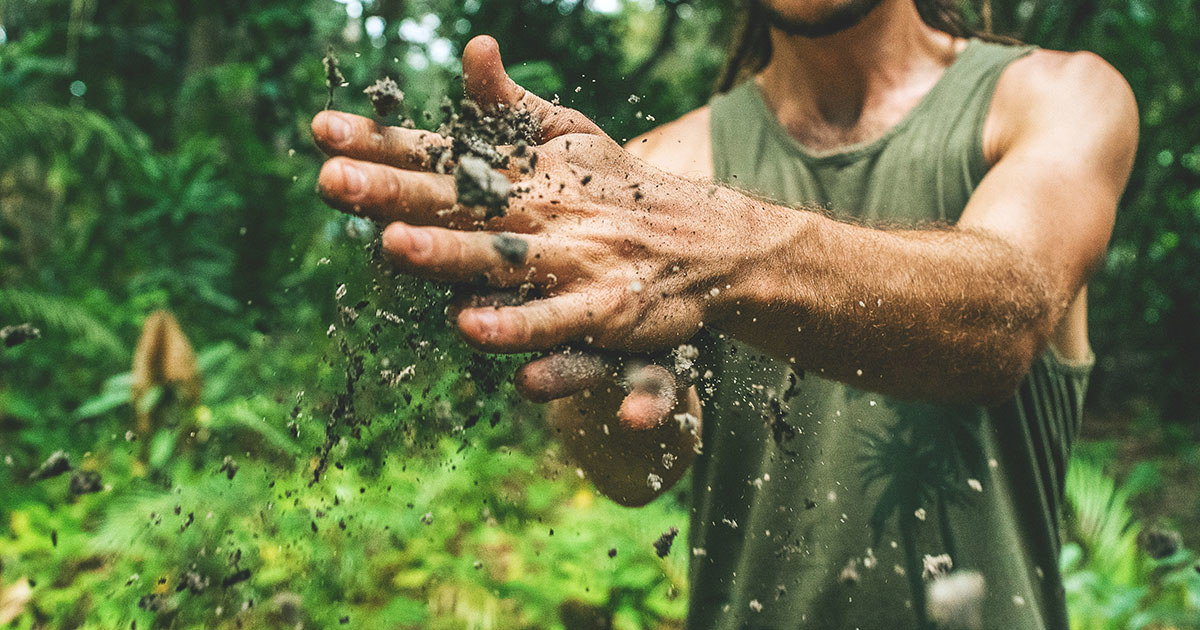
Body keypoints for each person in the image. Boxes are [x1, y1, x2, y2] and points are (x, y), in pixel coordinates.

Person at [311, 0, 1137, 627]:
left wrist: (718, 250)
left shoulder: (1056, 96)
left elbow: (1001, 320)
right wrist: (619, 371)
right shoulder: (658, 172)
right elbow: (633, 474)